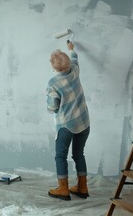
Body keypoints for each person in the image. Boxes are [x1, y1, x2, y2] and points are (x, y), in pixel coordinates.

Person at [46, 40, 90, 201]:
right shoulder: (75, 70)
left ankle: (63, 189)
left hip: (66, 125)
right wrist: (71, 49)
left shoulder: (53, 83)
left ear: (54, 66)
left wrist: (54, 108)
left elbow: (52, 107)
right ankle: (82, 187)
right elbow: (75, 58)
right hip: (84, 123)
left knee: (60, 156)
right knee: (79, 154)